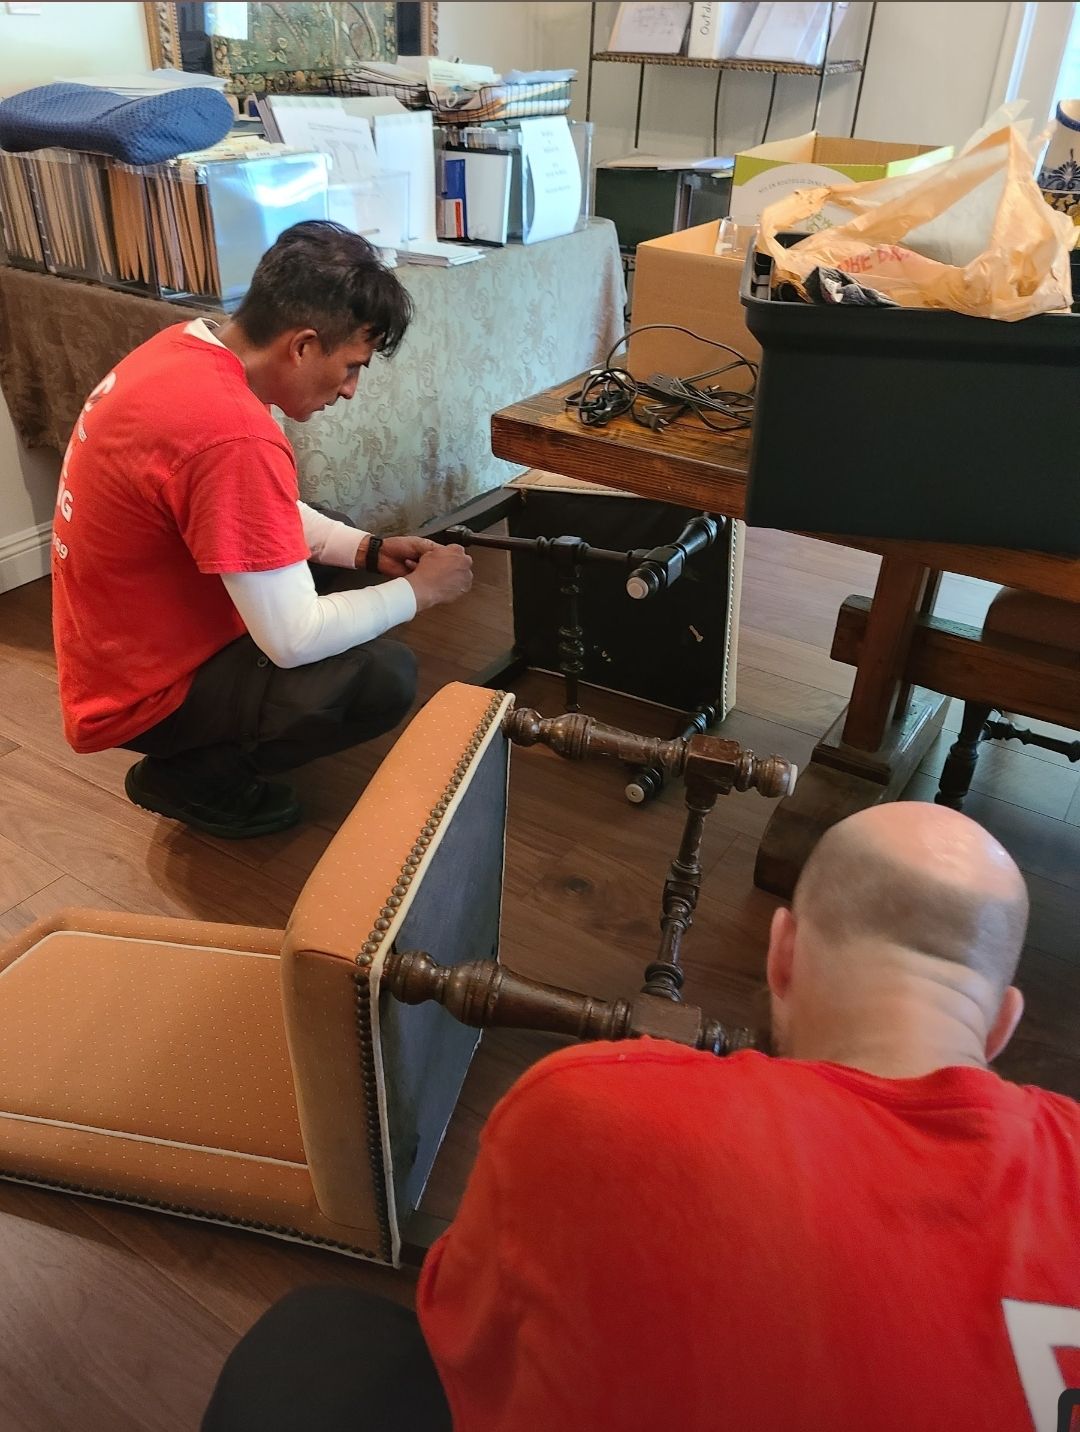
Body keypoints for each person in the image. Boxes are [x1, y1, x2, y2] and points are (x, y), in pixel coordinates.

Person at [201, 803, 1080, 1432]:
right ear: (1003, 1024)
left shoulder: (595, 1103)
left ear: (781, 954)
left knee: (319, 1346)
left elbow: (462, 1335)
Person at [52, 220, 473, 839]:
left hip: (112, 643)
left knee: (344, 544)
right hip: (139, 690)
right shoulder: (232, 433)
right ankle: (194, 777)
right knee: (382, 677)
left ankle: (221, 730)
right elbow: (293, 640)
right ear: (302, 346)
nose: (351, 390)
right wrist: (421, 592)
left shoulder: (183, 349)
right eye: (351, 366)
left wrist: (369, 551)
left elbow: (252, 508)